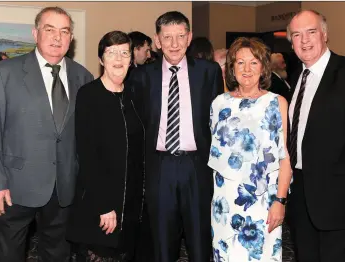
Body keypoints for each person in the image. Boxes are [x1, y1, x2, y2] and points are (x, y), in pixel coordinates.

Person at [0, 6, 93, 262]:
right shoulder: (5, 73)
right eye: (50, 29)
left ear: (71, 37)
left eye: (64, 31)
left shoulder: (83, 76)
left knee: (57, 251)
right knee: (10, 252)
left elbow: (85, 137)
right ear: (36, 33)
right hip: (16, 183)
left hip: (64, 185)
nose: (57, 37)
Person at [130, 11, 224, 262]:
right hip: (159, 167)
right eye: (167, 37)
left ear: (189, 37)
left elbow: (218, 123)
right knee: (162, 243)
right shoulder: (141, 76)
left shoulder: (209, 72)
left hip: (198, 167)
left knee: (200, 241)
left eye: (180, 36)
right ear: (157, 40)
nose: (174, 44)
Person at [208, 37, 291, 261]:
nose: (246, 69)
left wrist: (280, 201)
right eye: (240, 62)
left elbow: (284, 158)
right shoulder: (218, 104)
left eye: (253, 63)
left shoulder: (277, 103)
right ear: (231, 68)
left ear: (263, 67)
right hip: (224, 204)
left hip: (263, 204)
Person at [66, 30, 145, 261]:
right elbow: (87, 155)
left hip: (130, 204)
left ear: (131, 59)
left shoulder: (135, 95)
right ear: (101, 59)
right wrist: (104, 206)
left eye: (124, 53)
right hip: (100, 204)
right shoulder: (89, 95)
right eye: (111, 53)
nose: (119, 59)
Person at [286, 10, 345, 262]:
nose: (304, 40)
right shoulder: (297, 78)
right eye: (296, 35)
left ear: (324, 34)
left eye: (311, 32)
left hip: (337, 197)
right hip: (300, 194)